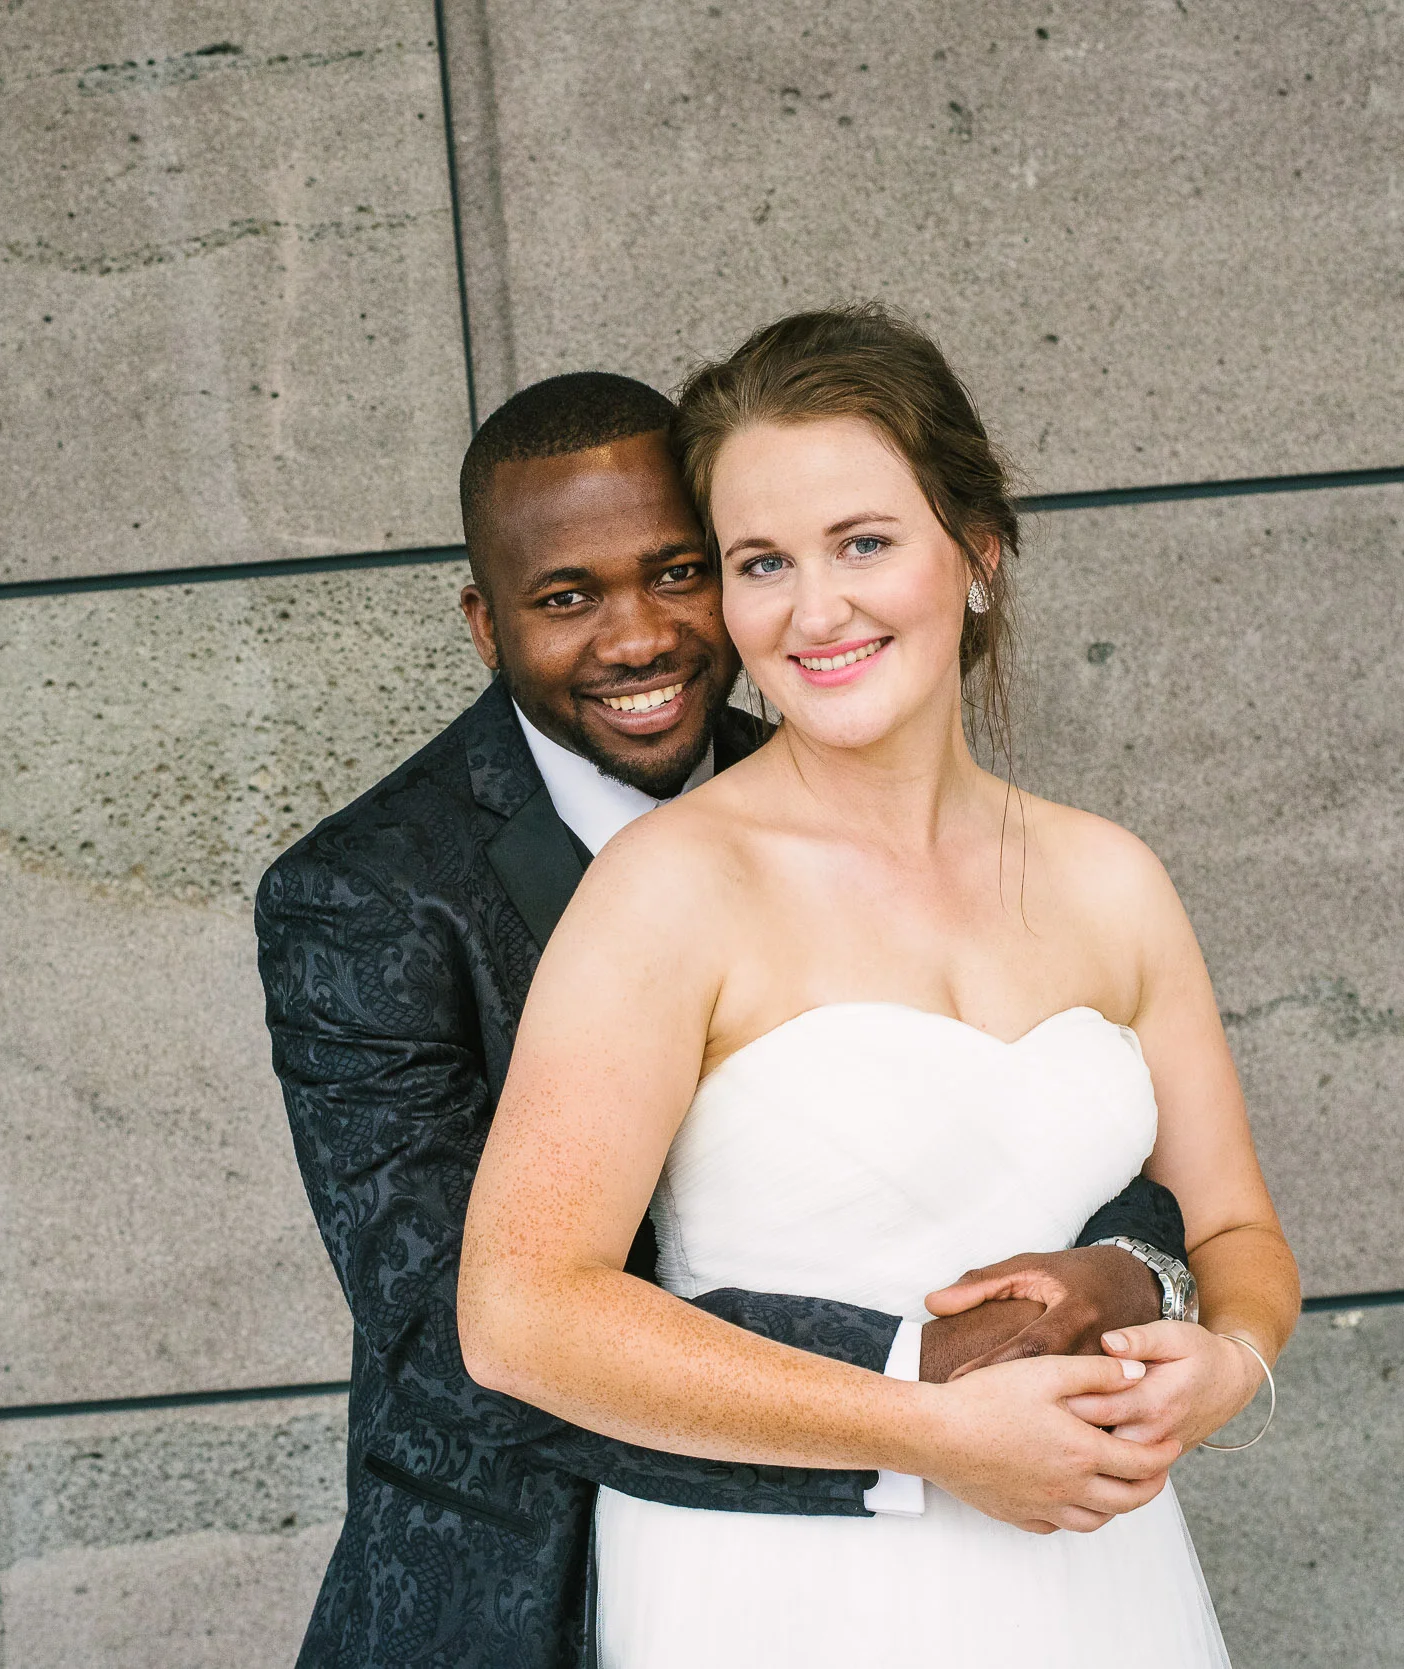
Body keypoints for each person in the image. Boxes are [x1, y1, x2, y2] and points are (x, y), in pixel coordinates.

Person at [256, 364, 1207, 1668]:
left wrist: (1130, 1275)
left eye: (680, 571)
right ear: (485, 625)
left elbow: (1043, 1130)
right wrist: (925, 1389)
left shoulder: (844, 769)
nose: (638, 635)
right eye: (566, 598)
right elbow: (458, 1338)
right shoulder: (362, 896)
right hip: (527, 1584)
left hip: (985, 1548)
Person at [456, 306, 1300, 1666]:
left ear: (976, 549)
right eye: (760, 562)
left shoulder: (1111, 880)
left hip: (1102, 1575)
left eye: (862, 543)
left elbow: (1238, 1235)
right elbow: (522, 1316)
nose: (815, 608)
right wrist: (930, 1429)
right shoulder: (669, 893)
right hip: (777, 1594)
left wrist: (1224, 1367)